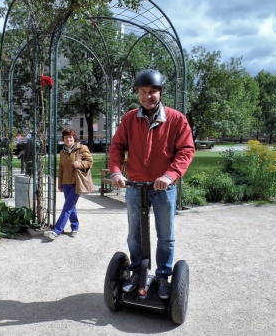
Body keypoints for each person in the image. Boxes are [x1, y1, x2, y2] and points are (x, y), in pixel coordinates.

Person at [109, 69, 195, 299]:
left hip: (163, 188)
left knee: (165, 235)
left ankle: (162, 276)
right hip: (135, 187)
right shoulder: (129, 119)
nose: (148, 96)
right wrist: (116, 171)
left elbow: (186, 151)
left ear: (160, 92)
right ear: (138, 93)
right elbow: (117, 147)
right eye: (143, 92)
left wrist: (169, 175)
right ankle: (137, 273)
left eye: (153, 92)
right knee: (134, 235)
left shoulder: (176, 119)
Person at [44, 128, 93, 240]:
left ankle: (57, 230)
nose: (68, 139)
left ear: (74, 138)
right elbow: (60, 169)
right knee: (71, 207)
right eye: (66, 138)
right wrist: (60, 184)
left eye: (70, 137)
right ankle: (75, 227)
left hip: (77, 183)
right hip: (66, 184)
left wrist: (80, 164)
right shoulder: (62, 152)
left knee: (66, 207)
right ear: (63, 139)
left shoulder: (82, 148)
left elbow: (90, 162)